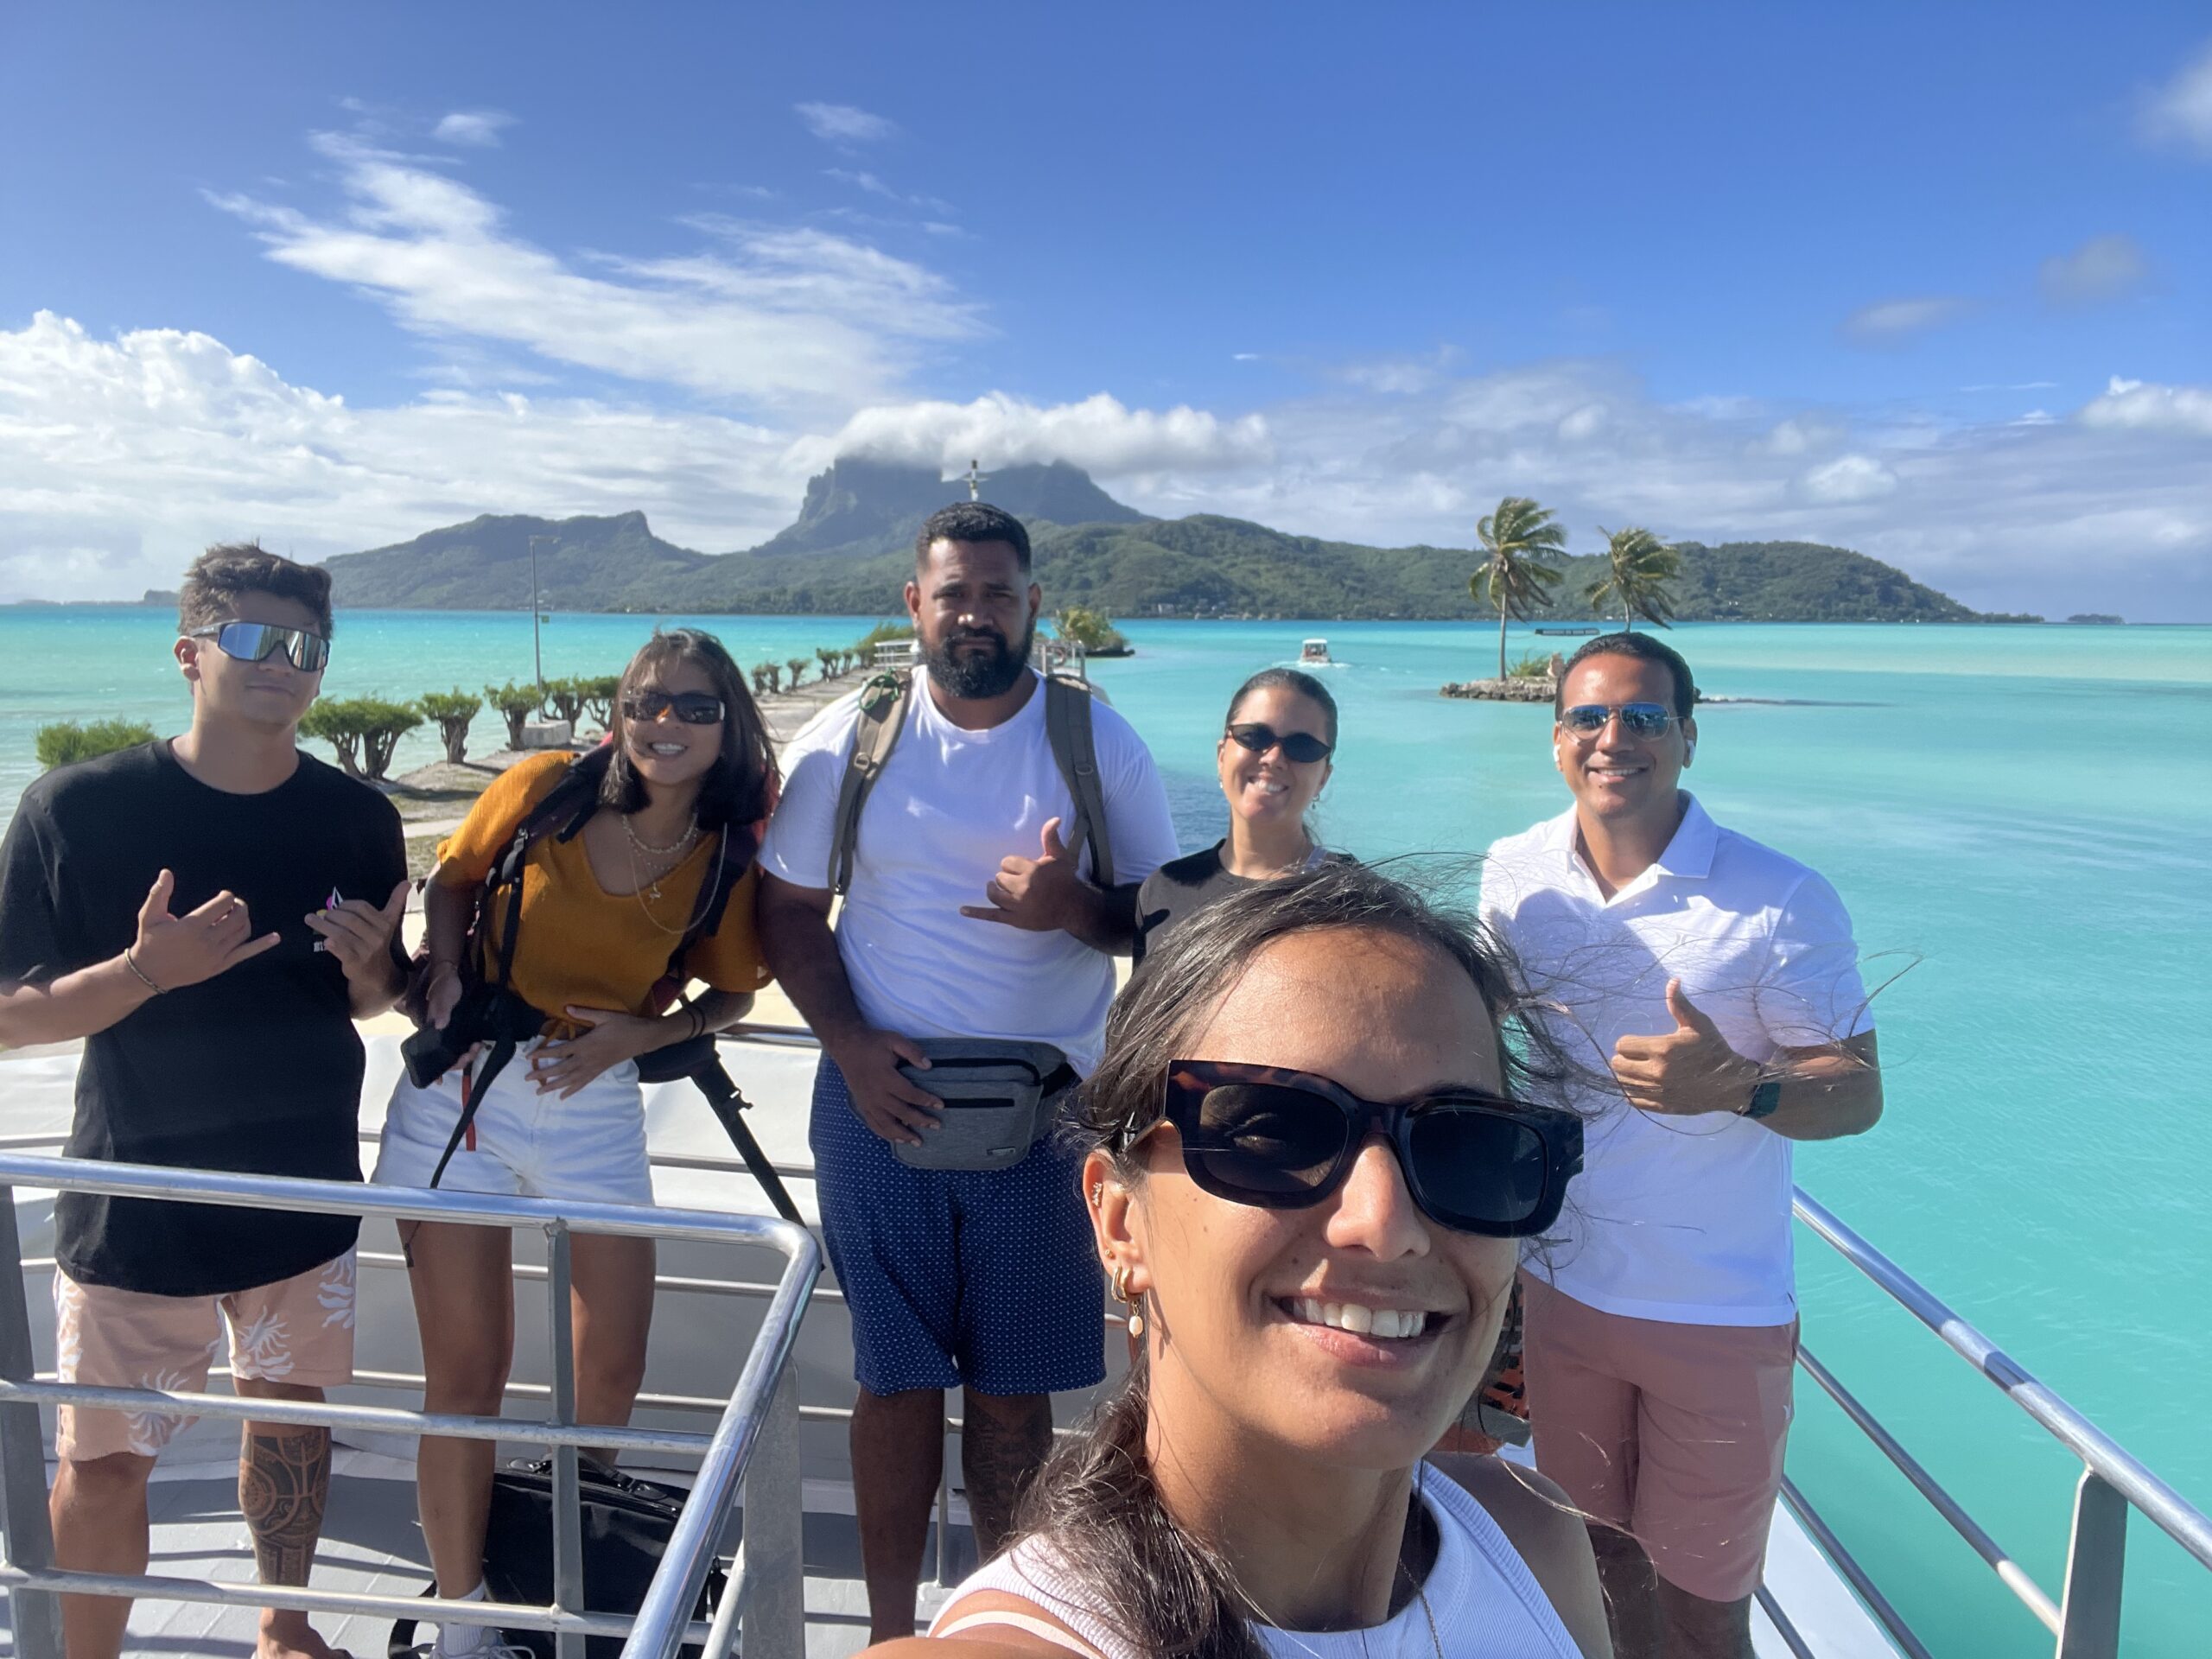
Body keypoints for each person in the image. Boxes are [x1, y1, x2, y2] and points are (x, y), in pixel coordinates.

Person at [868, 862, 1611, 1657]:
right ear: (1120, 1223)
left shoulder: (1530, 1536)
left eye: (1465, 1145)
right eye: (1272, 1133)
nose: (1385, 1224)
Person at [756, 500, 1182, 1643]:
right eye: (954, 593)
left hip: (1047, 1116)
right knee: (893, 1384)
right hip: (878, 1100)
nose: (976, 613)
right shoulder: (853, 736)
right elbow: (787, 910)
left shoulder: (1097, 742)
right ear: (916, 604)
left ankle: (1002, 1632)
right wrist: (850, 1046)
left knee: (1012, 1397)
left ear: (1034, 603)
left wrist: (1070, 906)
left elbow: (1162, 922)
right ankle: (893, 1636)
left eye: (999, 593)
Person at [0, 545, 410, 1659]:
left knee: (292, 1425)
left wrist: (375, 970)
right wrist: (144, 974)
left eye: (306, 645)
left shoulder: (356, 819)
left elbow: (371, 998)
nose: (284, 662)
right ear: (189, 653)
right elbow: (11, 1014)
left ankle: (287, 1629)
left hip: (302, 1186)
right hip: (137, 1194)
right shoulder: (78, 810)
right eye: (253, 638)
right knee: (102, 1463)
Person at [1479, 632, 1883, 1659]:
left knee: (1704, 1615)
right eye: (1587, 716)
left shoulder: (1779, 897)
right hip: (1561, 1291)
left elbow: (1856, 1093)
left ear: (1689, 737)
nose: (1613, 737)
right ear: (1557, 738)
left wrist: (1738, 1087)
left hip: (1715, 1314)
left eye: (1644, 717)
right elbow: (1482, 1036)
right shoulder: (1514, 874)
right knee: (1595, 1569)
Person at [375, 628, 775, 1659]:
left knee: (612, 1374)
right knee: (467, 1380)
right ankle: (465, 1626)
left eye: (693, 707)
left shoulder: (725, 853)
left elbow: (733, 992)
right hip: (468, 1091)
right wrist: (448, 972)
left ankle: (556, 1574)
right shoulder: (547, 789)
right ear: (620, 713)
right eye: (645, 702)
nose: (665, 723)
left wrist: (645, 1035)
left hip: (595, 1101)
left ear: (727, 725)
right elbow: (452, 879)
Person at [1132, 667, 1343, 965]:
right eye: (1255, 737)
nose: (1273, 758)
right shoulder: (1163, 891)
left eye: (1302, 746)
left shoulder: (1353, 901)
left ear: (1323, 777)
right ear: (1222, 756)